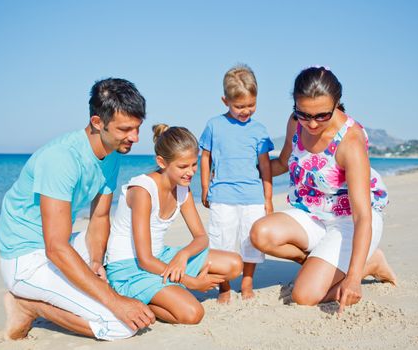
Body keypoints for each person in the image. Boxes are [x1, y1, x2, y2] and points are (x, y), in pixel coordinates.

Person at [0, 78, 156, 341]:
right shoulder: (61, 158)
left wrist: (95, 262)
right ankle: (27, 304)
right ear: (97, 123)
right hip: (24, 258)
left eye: (137, 128)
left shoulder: (112, 152)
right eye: (126, 129)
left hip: (59, 244)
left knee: (116, 251)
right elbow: (55, 248)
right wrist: (115, 301)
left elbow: (100, 216)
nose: (135, 138)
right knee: (121, 325)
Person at [250, 66, 396, 313]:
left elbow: (362, 217)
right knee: (260, 234)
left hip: (348, 221)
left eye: (321, 116)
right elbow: (283, 163)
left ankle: (369, 264)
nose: (312, 124)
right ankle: (320, 264)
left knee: (304, 296)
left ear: (337, 103)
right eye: (304, 114)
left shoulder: (351, 141)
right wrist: (242, 169)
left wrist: (353, 277)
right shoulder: (296, 123)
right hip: (311, 212)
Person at [105, 124, 243, 324]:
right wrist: (192, 282)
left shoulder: (182, 190)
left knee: (234, 264)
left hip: (160, 257)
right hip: (130, 267)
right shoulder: (143, 191)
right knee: (192, 314)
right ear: (162, 162)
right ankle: (139, 299)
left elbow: (201, 237)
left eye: (194, 164)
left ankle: (168, 288)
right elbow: (144, 259)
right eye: (182, 166)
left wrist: (182, 255)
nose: (191, 172)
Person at [199, 64, 274, 303]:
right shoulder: (214, 125)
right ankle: (224, 286)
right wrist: (204, 186)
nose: (245, 111)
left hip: (253, 197)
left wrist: (268, 198)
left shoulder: (259, 130)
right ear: (225, 101)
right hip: (222, 195)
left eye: (251, 105)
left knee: (249, 241)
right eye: (239, 106)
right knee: (222, 241)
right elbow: (205, 157)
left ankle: (247, 280)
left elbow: (265, 166)